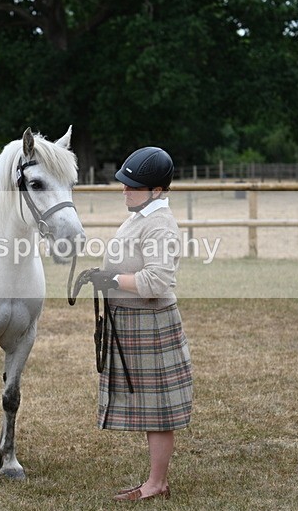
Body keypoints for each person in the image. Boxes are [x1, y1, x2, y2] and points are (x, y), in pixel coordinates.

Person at [87, 146, 193, 502]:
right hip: (132, 321)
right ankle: (155, 480)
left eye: (133, 186)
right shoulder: (141, 216)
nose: (125, 190)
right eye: (124, 183)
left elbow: (157, 281)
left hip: (150, 321)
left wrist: (112, 280)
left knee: (158, 408)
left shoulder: (160, 224)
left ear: (157, 190)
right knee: (151, 405)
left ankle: (157, 483)